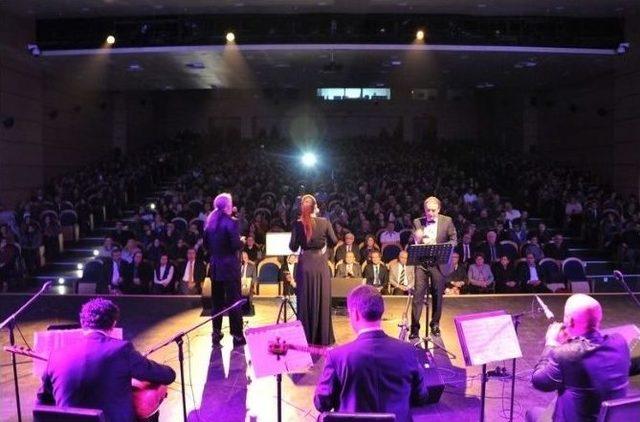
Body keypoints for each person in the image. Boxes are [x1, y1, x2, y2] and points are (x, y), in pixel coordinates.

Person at [37, 298, 176, 421]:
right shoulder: (121, 350)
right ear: (113, 323)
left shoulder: (56, 354)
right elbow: (164, 376)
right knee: (150, 414)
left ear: (82, 322)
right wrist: (169, 370)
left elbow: (42, 401)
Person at [314, 285, 430, 422]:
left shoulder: (337, 356)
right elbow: (421, 397)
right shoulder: (408, 351)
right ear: (382, 311)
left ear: (355, 313)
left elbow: (322, 404)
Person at [527, 294, 630, 422]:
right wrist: (572, 342)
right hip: (610, 418)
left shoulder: (564, 354)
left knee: (532, 413)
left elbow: (538, 382)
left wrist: (551, 343)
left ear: (570, 321)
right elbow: (590, 348)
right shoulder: (620, 343)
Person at [289, 194, 338, 345]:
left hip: (305, 264)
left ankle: (305, 336)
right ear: (316, 207)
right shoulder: (325, 222)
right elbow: (334, 241)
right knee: (322, 297)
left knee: (304, 299)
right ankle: (322, 337)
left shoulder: (298, 224)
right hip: (321, 264)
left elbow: (293, 247)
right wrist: (323, 245)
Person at [410, 196, 457, 338]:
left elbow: (454, 239)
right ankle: (415, 328)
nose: (430, 213)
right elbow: (413, 241)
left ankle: (435, 324)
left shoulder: (447, 221)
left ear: (439, 209)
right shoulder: (417, 222)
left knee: (437, 295)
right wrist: (417, 239)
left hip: (438, 263)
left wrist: (443, 248)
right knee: (418, 295)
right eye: (427, 210)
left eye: (433, 210)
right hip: (422, 263)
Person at [204, 193, 246, 347]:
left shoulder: (210, 222)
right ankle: (237, 336)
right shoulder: (232, 222)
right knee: (234, 301)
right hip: (229, 267)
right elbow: (235, 245)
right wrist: (241, 241)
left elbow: (206, 246)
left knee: (217, 302)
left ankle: (216, 333)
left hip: (215, 266)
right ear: (228, 206)